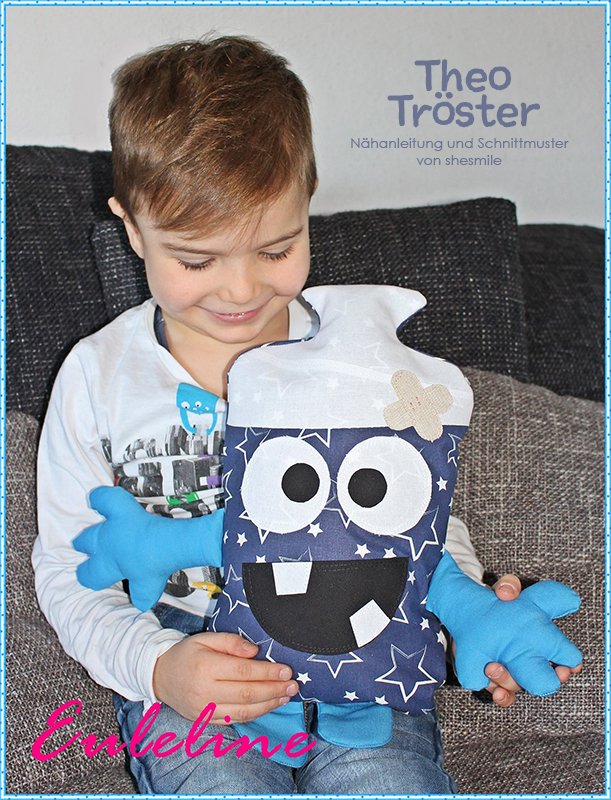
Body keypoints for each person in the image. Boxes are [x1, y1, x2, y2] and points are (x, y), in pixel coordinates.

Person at [33, 36, 580, 795]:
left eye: (277, 248)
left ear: (309, 197)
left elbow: (415, 519)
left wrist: (467, 611)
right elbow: (69, 570)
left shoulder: (360, 357)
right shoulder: (97, 377)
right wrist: (157, 665)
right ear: (131, 228)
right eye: (196, 260)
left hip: (360, 639)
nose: (240, 291)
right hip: (189, 656)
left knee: (389, 783)